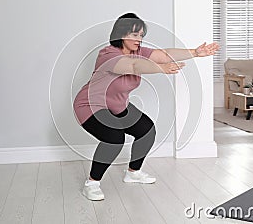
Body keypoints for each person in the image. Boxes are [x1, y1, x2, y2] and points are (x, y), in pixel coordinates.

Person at [73, 13, 219, 201]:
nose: (138, 39)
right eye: (134, 35)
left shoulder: (139, 52)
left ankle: (133, 172)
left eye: (141, 35)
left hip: (117, 106)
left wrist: (195, 53)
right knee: (114, 137)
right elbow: (133, 66)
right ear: (121, 34)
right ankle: (92, 183)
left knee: (146, 130)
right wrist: (161, 69)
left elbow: (165, 55)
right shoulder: (107, 54)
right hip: (90, 105)